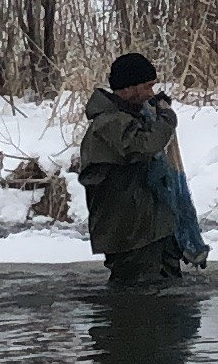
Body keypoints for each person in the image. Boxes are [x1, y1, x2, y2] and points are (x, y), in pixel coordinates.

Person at [77, 52, 187, 285]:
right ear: (128, 87)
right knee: (136, 304)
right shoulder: (108, 123)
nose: (151, 94)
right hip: (130, 237)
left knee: (164, 300)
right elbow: (145, 145)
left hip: (149, 232)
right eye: (147, 87)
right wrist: (166, 118)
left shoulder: (129, 117)